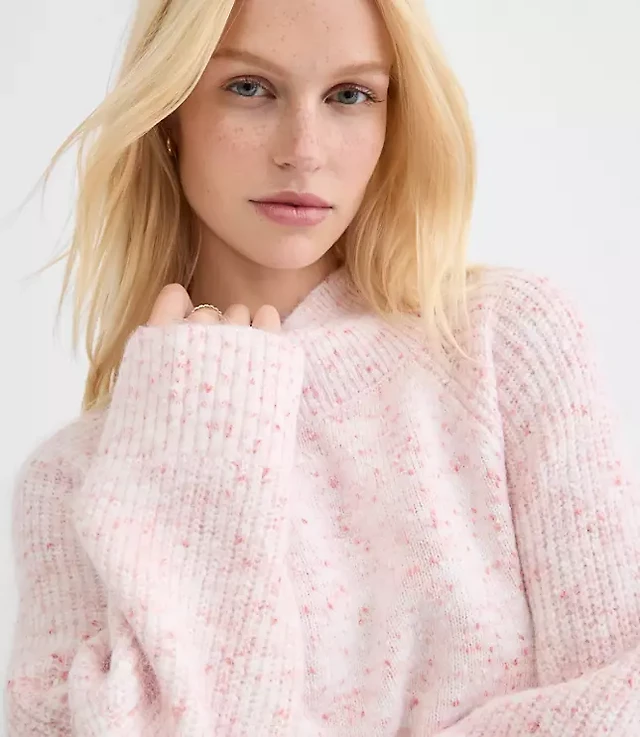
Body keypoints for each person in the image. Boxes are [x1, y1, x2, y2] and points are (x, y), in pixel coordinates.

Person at [5, 0, 640, 734]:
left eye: (350, 95)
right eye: (250, 87)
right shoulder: (75, 482)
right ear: (168, 114)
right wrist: (202, 445)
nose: (303, 151)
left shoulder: (501, 345)